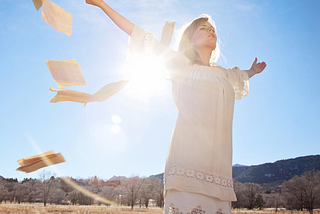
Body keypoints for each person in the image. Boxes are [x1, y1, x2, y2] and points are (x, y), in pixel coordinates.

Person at [85, 0, 266, 213]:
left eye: (213, 29)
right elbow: (138, 34)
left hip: (219, 169)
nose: (211, 31)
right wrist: (101, 4)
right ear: (190, 39)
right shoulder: (181, 63)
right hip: (187, 162)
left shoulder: (223, 74)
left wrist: (252, 71)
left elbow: (240, 77)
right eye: (203, 28)